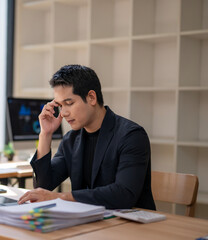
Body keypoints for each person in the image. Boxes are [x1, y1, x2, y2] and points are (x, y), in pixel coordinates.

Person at [18, 64, 156, 210]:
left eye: (69, 103)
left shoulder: (131, 136)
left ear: (91, 97)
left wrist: (61, 197)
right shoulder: (71, 140)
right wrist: (45, 135)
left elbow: (123, 194)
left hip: (131, 226)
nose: (63, 113)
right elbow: (43, 187)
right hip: (91, 221)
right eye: (60, 106)